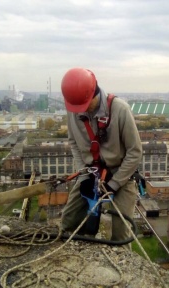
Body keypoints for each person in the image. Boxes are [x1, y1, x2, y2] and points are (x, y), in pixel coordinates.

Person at [60, 67, 142, 246]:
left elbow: (135, 151)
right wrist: (84, 175)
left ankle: (122, 263)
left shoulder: (120, 110)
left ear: (94, 94)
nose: (80, 111)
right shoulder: (74, 109)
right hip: (90, 172)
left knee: (121, 231)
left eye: (84, 105)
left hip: (120, 173)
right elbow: (73, 142)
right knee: (68, 221)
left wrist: (114, 184)